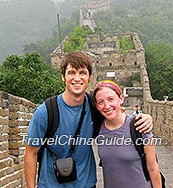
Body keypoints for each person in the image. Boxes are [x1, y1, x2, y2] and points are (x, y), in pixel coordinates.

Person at [24, 51, 153, 188]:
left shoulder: (94, 107)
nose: (77, 78)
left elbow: (118, 118)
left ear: (90, 77)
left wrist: (145, 117)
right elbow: (30, 154)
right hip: (51, 184)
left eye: (82, 73)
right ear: (63, 77)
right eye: (71, 73)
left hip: (86, 184)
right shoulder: (46, 112)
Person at [93, 80, 162, 188]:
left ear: (121, 98)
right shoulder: (98, 128)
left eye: (111, 99)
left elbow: (153, 168)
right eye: (101, 102)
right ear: (97, 106)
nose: (106, 106)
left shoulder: (139, 126)